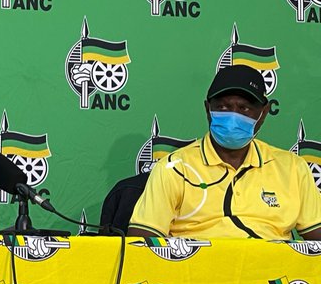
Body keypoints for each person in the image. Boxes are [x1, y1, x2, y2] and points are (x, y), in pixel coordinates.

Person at [128, 65, 321, 240]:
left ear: (263, 113)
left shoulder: (292, 167)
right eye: (223, 107)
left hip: (274, 271)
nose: (233, 115)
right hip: (198, 274)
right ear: (207, 109)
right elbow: (142, 241)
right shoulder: (174, 168)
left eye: (244, 108)